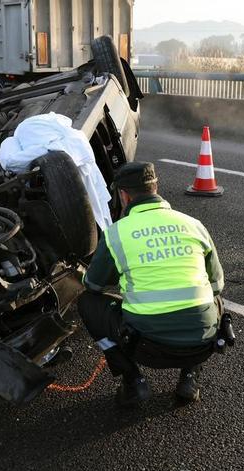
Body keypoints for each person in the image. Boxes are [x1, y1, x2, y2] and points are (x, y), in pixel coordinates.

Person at [78, 162, 227, 406]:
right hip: (202, 343)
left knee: (87, 303)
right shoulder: (193, 224)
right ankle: (190, 379)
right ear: (155, 187)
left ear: (123, 196)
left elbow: (93, 286)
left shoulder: (117, 233)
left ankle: (133, 380)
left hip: (145, 347)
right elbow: (217, 285)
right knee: (212, 299)